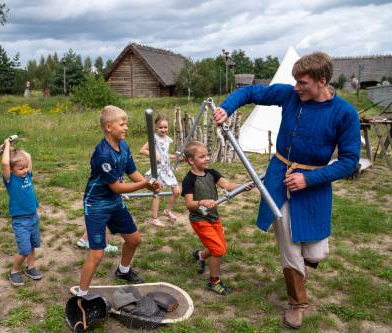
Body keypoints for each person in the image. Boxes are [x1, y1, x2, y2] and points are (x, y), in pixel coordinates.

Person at [214, 51, 360, 328]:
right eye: (295, 82)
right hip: (279, 177)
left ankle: (303, 264)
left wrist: (308, 179)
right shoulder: (290, 96)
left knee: (317, 253)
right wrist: (226, 107)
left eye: (303, 83)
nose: (296, 88)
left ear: (322, 81)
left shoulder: (344, 113)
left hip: (315, 184)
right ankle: (297, 303)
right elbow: (251, 93)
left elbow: (350, 161)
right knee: (290, 245)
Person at [76, 105, 160, 296]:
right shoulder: (103, 153)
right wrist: (145, 183)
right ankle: (81, 295)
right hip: (96, 205)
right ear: (108, 127)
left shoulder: (123, 145)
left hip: (114, 203)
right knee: (97, 254)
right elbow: (117, 187)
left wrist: (149, 184)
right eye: (122, 124)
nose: (126, 128)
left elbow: (131, 171)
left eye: (126, 124)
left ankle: (123, 271)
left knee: (134, 240)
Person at [182, 141, 253, 295]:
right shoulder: (189, 179)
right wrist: (202, 202)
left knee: (220, 247)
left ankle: (200, 256)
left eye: (207, 155)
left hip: (214, 218)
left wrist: (242, 186)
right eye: (202, 157)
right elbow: (189, 204)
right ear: (191, 161)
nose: (207, 158)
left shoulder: (212, 172)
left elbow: (227, 185)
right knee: (218, 250)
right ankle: (214, 282)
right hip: (200, 220)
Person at [1, 139, 43, 286]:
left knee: (32, 244)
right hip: (21, 220)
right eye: (21, 168)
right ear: (12, 170)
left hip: (33, 217)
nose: (25, 170)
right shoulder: (10, 179)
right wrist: (6, 147)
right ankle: (14, 271)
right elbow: (5, 163)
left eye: (26, 167)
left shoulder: (28, 175)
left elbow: (28, 156)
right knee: (24, 249)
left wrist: (14, 148)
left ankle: (30, 267)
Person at [139, 114, 181, 227]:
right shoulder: (154, 138)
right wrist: (153, 154)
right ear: (156, 127)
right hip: (157, 169)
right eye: (160, 127)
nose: (163, 129)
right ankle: (154, 218)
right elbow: (142, 150)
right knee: (158, 193)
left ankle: (167, 211)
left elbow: (165, 154)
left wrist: (175, 157)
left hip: (167, 169)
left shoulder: (167, 139)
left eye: (165, 127)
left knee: (177, 191)